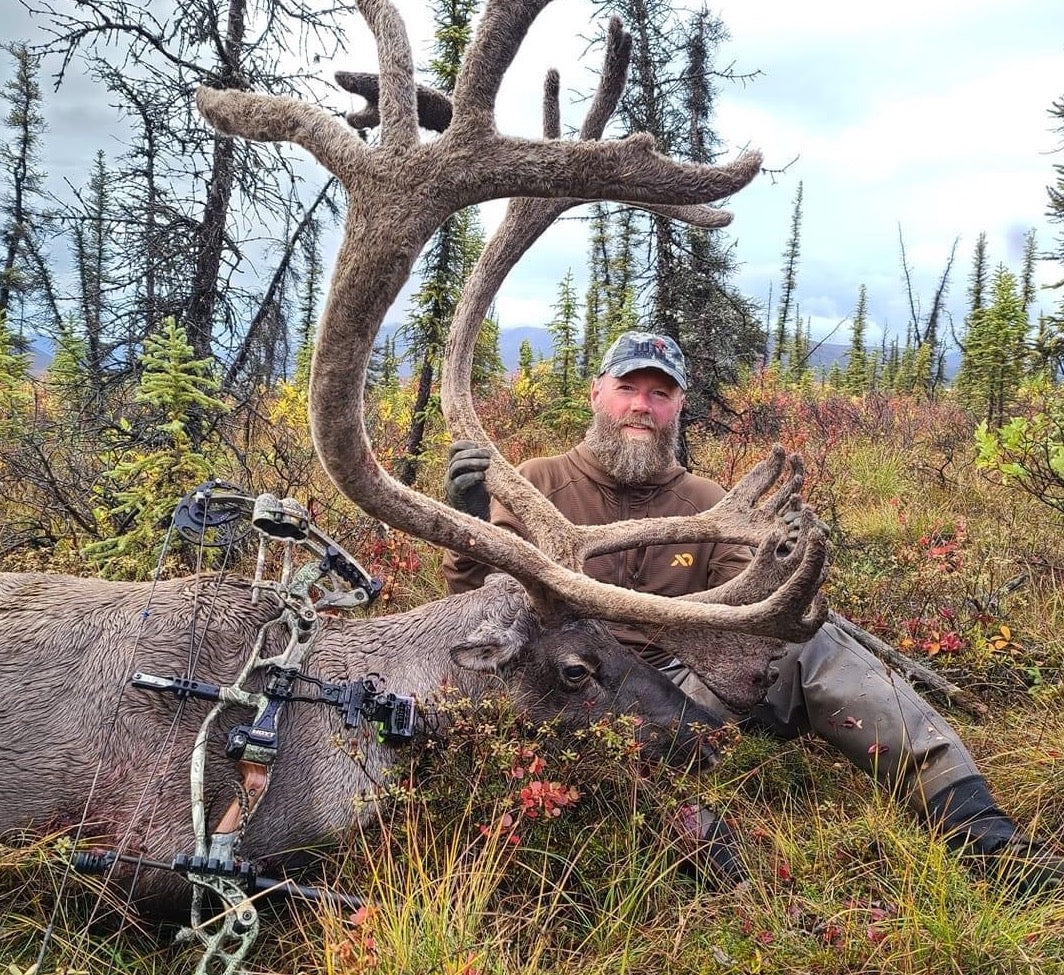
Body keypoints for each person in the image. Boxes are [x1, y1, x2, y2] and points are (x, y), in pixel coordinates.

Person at [442, 329, 1064, 893]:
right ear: (596, 394)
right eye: (628, 387)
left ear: (678, 407)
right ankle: (704, 850)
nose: (641, 406)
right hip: (576, 685)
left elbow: (751, 617)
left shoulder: (711, 503)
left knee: (816, 648)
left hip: (685, 680)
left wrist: (783, 576)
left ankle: (979, 832)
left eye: (660, 394)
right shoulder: (536, 482)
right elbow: (485, 614)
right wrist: (469, 525)